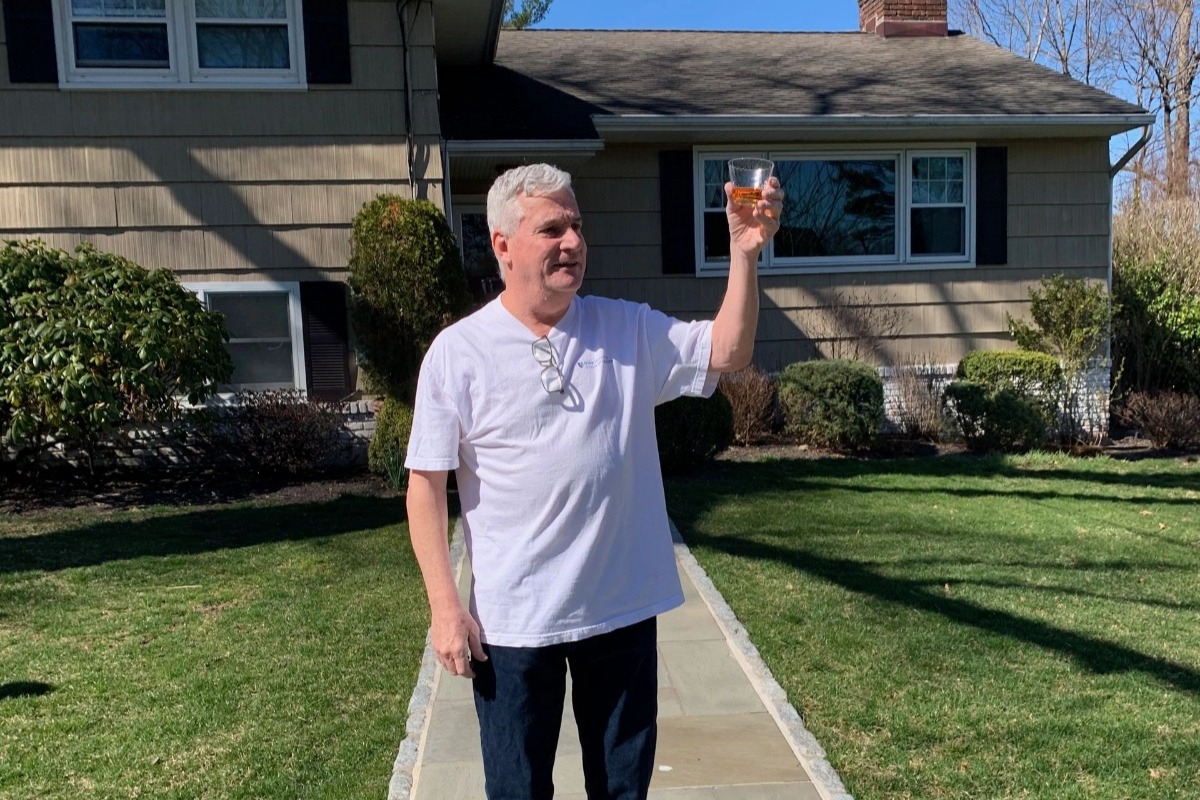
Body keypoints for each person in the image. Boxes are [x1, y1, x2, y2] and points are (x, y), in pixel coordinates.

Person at [405, 162, 782, 800]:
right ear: (502, 244)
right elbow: (424, 486)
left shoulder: (625, 329)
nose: (574, 242)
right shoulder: (458, 352)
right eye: (552, 229)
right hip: (514, 624)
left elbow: (727, 350)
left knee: (622, 792)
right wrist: (445, 607)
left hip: (620, 610)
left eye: (577, 225)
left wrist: (744, 254)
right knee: (518, 792)